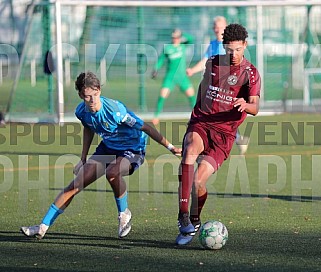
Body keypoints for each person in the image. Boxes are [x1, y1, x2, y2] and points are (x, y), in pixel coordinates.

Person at [21, 71, 181, 240]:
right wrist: (83, 158)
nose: (91, 100)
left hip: (133, 148)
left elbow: (146, 128)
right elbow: (88, 128)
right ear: (81, 95)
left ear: (98, 90)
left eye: (94, 95)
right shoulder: (81, 112)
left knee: (113, 172)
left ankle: (123, 213)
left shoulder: (115, 111)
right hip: (108, 148)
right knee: (74, 186)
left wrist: (170, 147)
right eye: (86, 97)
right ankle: (42, 227)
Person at [175, 24, 261, 245]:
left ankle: (194, 220)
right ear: (224, 46)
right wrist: (195, 119)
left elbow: (255, 107)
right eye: (229, 49)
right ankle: (183, 215)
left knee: (197, 181)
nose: (233, 54)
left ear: (245, 45)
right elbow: (203, 89)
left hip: (224, 135)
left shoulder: (250, 73)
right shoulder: (213, 63)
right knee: (189, 153)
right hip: (202, 123)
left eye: (238, 49)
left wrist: (245, 104)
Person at [186, 16, 249, 155]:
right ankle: (233, 138)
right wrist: (193, 70)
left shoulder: (231, 46)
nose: (217, 30)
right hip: (214, 86)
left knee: (224, 114)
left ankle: (225, 140)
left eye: (220, 27)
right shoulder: (213, 45)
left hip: (229, 87)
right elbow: (204, 61)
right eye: (215, 27)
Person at [151, 29, 196, 126]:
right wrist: (155, 69)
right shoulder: (167, 48)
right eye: (173, 37)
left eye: (177, 37)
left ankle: (197, 117)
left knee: (192, 96)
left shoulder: (183, 46)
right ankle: (156, 116)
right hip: (170, 77)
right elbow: (161, 60)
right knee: (162, 96)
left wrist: (182, 33)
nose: (175, 39)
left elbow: (192, 39)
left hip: (182, 77)